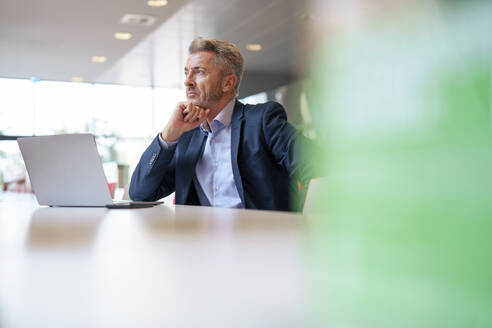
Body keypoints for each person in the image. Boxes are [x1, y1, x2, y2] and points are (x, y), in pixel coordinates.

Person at [129, 37, 317, 211]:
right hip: (201, 242)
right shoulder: (187, 135)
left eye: (199, 72)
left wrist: (297, 223)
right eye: (186, 73)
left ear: (228, 83)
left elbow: (318, 169)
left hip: (260, 240)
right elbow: (140, 194)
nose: (187, 81)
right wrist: (168, 136)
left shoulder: (262, 121)